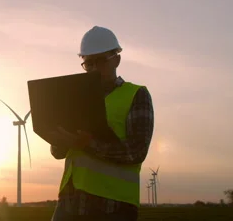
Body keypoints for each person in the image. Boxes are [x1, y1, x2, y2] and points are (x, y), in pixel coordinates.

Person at [49, 26, 155, 221]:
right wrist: (59, 139)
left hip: (112, 207)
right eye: (88, 63)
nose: (94, 69)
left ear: (116, 59)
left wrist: (88, 144)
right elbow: (57, 153)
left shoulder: (136, 95)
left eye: (100, 61)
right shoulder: (74, 100)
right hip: (69, 203)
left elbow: (136, 151)